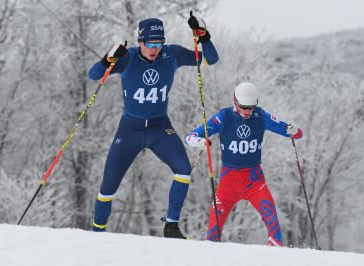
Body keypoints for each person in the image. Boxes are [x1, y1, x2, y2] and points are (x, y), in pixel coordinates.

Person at [88, 13, 219, 238]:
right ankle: (96, 233)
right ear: (140, 41)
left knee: (183, 170)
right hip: (130, 130)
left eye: (159, 43)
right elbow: (93, 75)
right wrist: (107, 60)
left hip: (160, 128)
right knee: (108, 186)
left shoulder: (172, 54)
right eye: (150, 43)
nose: (155, 49)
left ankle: (171, 226)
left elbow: (210, 59)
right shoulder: (127, 58)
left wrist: (204, 36)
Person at [185, 82, 303, 246]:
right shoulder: (224, 116)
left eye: (251, 107)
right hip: (228, 183)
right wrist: (200, 141)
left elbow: (295, 133)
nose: (247, 112)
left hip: (254, 181)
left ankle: (277, 258)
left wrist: (293, 130)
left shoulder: (260, 116)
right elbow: (190, 137)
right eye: (243, 107)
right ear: (235, 102)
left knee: (273, 221)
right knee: (213, 230)